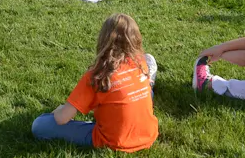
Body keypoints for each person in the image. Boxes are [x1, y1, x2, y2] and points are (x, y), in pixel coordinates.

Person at [32, 13, 158, 152]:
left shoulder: (97, 75)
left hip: (112, 141)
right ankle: (148, 83)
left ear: (104, 39)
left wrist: (59, 110)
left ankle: (147, 85)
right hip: (148, 135)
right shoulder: (139, 62)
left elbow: (62, 119)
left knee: (40, 125)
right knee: (145, 80)